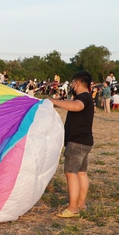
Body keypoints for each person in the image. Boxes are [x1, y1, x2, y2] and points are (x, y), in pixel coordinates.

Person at [48, 71, 94, 218]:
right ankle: (81, 203)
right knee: (81, 173)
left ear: (77, 83)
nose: (72, 86)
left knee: (71, 173)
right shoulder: (86, 97)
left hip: (77, 142)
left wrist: (53, 101)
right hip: (84, 142)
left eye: (72, 83)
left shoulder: (83, 98)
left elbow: (76, 106)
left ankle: (73, 207)